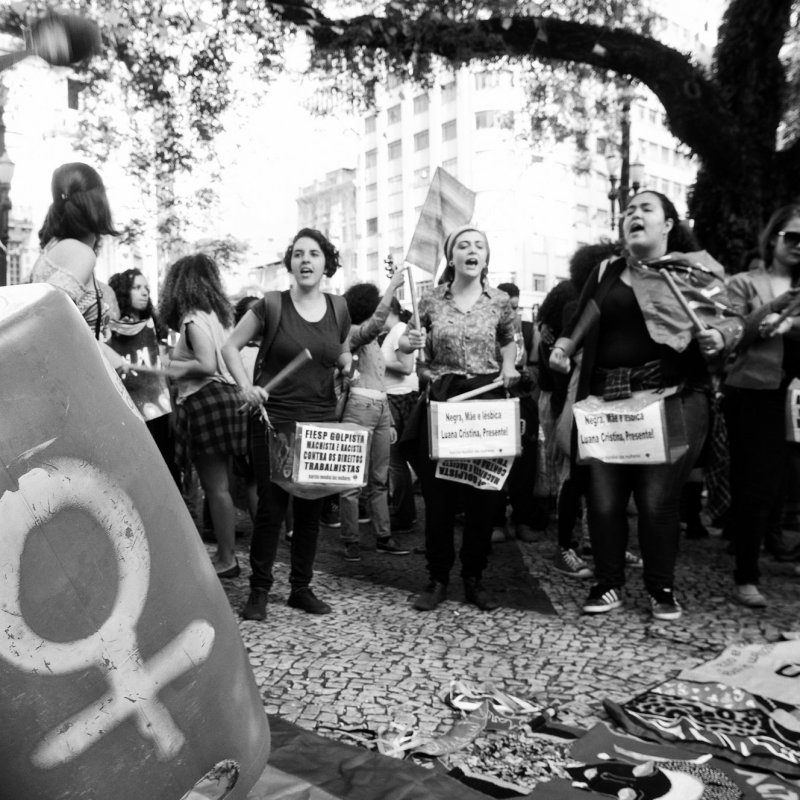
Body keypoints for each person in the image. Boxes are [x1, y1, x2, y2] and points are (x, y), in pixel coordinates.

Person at [550, 191, 742, 621]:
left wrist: (720, 336)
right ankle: (608, 583)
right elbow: (580, 319)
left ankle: (661, 589)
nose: (634, 215)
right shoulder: (606, 270)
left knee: (657, 500)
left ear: (668, 224)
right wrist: (563, 348)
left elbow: (730, 317)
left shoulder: (693, 273)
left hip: (669, 399)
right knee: (602, 501)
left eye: (645, 210)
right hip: (606, 403)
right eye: (628, 212)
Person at [222, 228, 352, 622]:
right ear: (290, 262)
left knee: (311, 510)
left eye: (314, 254)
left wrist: (346, 364)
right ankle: (259, 591)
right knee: (271, 508)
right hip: (274, 421)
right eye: (298, 254)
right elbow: (230, 346)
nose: (306, 260)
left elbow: (341, 347)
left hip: (320, 422)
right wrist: (246, 387)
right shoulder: (271, 305)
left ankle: (301, 588)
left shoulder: (339, 308)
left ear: (326, 262)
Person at [410, 225, 519, 612]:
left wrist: (508, 366)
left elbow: (510, 340)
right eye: (463, 245)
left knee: (484, 496)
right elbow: (414, 351)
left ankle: (474, 576)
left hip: (487, 402)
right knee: (438, 499)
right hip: (443, 402)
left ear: (486, 257)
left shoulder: (501, 301)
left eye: (479, 245)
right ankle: (438, 577)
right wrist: (412, 347)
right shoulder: (429, 301)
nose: (472, 250)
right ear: (451, 256)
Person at [723, 204, 800, 608]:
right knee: (756, 485)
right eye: (793, 236)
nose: (799, 245)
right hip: (755, 393)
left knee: (789, 483)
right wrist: (776, 305)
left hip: (795, 393)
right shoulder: (744, 283)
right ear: (773, 238)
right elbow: (733, 335)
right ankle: (746, 573)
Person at [159, 253, 247, 579]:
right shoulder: (218, 318)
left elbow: (206, 364)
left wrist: (171, 365)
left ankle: (226, 558)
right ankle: (228, 555)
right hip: (227, 400)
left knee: (216, 488)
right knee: (222, 486)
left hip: (205, 402)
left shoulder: (192, 319)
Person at [339, 271, 423, 561]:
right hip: (362, 408)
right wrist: (391, 288)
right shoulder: (352, 333)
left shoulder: (368, 339)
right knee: (352, 480)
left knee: (377, 480)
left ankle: (381, 536)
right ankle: (352, 540)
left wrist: (386, 418)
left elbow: (378, 381)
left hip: (375, 408)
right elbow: (375, 324)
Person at [30, 162, 127, 371]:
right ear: (99, 201)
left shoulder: (56, 246)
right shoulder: (81, 254)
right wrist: (105, 353)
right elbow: (46, 323)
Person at [107, 268, 178, 483]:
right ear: (123, 292)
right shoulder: (110, 330)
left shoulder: (156, 327)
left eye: (146, 288)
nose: (144, 293)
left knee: (167, 463)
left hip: (160, 407)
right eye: (137, 287)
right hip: (131, 411)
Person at [381, 297, 419, 534]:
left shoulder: (400, 330)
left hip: (400, 399)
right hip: (399, 398)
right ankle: (404, 512)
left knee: (396, 460)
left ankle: (404, 515)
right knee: (402, 459)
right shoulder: (394, 331)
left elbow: (406, 367)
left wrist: (378, 360)